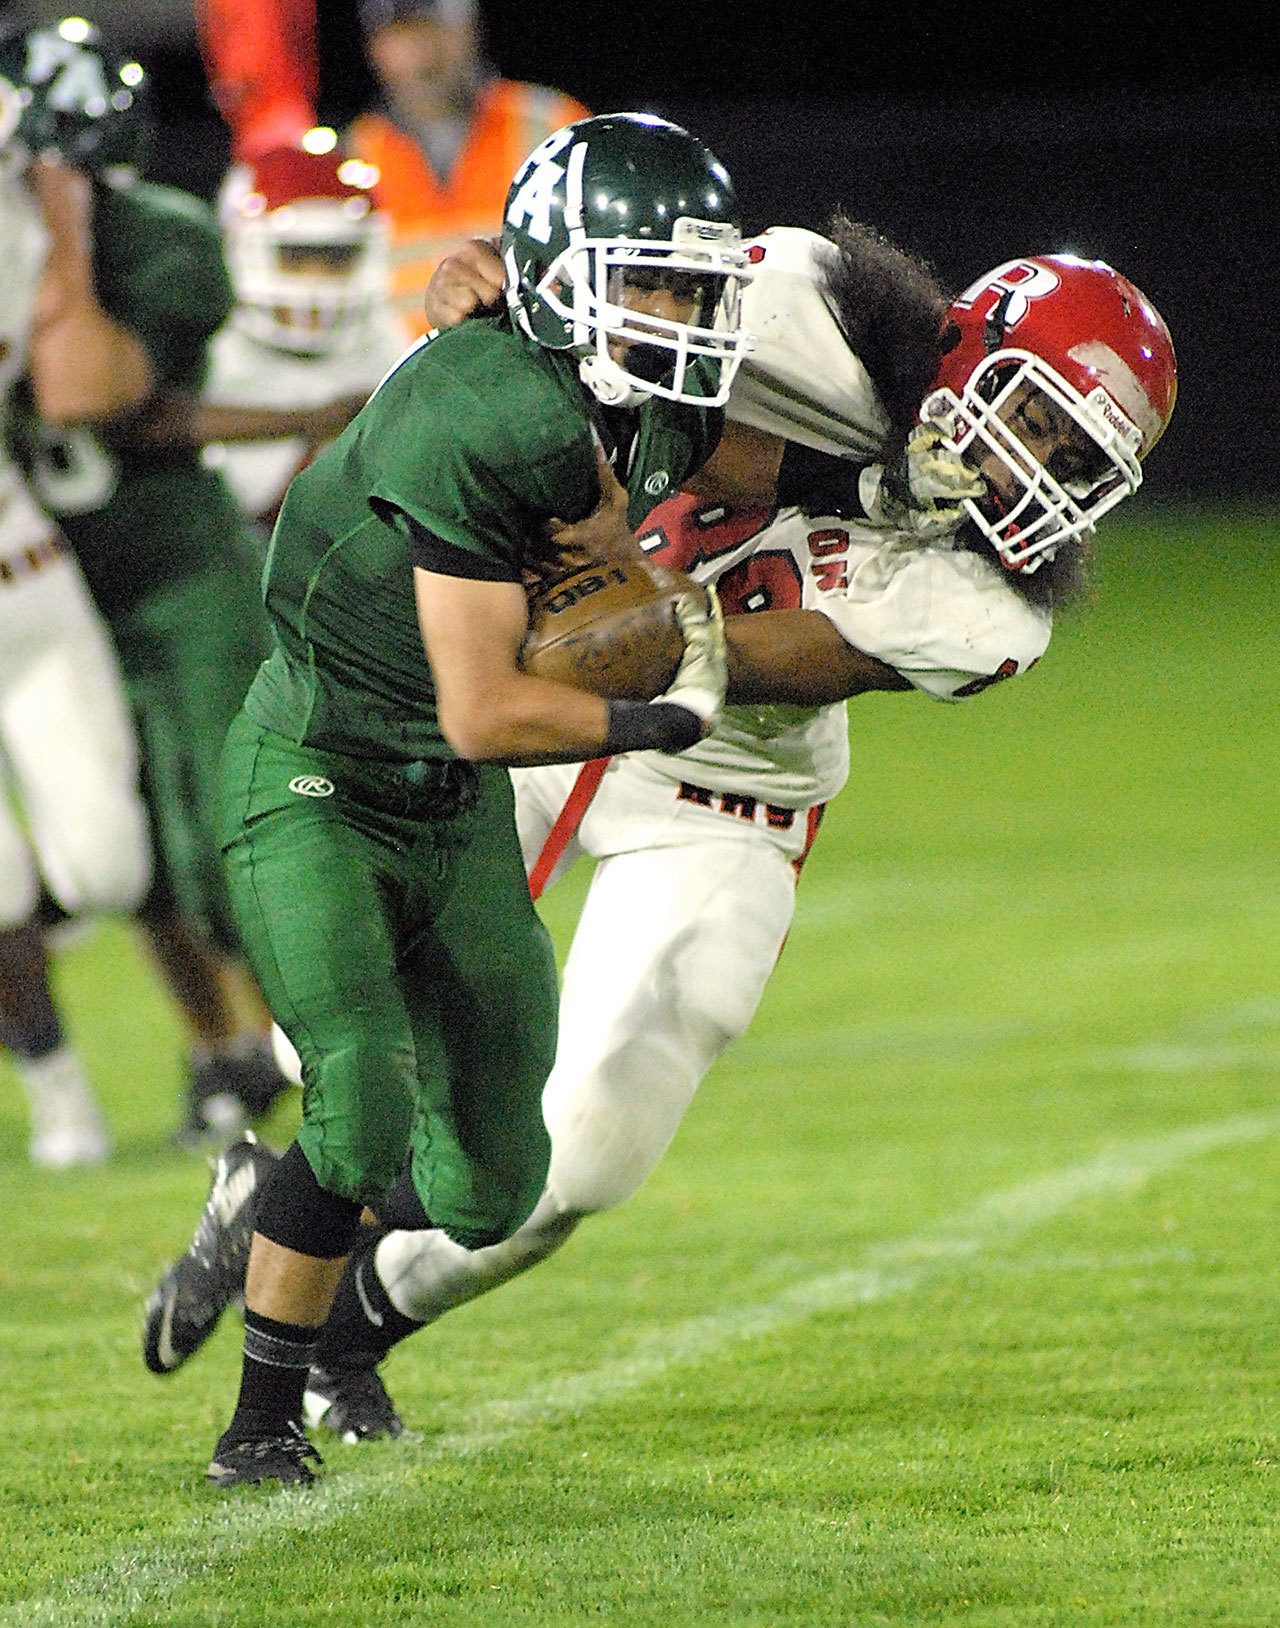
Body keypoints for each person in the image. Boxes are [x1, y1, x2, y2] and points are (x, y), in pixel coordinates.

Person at [142, 216, 1177, 1443]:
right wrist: (497, 272)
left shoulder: (993, 609)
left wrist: (606, 590)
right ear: (966, 340)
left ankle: (354, 1317)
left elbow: (726, 659)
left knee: (581, 1158)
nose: (1031, 462)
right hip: (544, 710)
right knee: (364, 1039)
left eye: (1072, 453)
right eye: (1032, 410)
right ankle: (288, 1194)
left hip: (718, 785)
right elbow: (605, 282)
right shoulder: (795, 300)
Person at [192, 110, 753, 1488]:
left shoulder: (658, 407)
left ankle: (267, 1200)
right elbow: (487, 707)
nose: (679, 317)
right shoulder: (476, 403)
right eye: (651, 283)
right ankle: (259, 1425)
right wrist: (668, 710)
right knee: (363, 1099)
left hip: (447, 808)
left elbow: (595, 559)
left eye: (695, 288)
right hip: (323, 769)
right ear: (565, 271)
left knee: (498, 1183)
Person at [2, 17, 294, 1150]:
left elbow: (98, 395)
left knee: (225, 826)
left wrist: (63, 233)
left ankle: (300, 1038)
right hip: (68, 591)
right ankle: (216, 1050)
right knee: (125, 851)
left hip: (176, 575)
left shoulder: (158, 238)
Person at [0, 51, 154, 1167]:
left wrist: (66, 227)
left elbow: (80, 389)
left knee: (106, 867)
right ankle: (58, 1087)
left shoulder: (34, 222)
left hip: (29, 561)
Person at [198, 138, 407, 532]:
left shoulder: (385, 342)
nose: (315, 282)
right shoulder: (212, 351)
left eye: (334, 258)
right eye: (294, 256)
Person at [348, 0, 589, 338]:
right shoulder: (354, 156)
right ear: (374, 47)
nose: (422, 54)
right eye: (403, 34)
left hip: (528, 372)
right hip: (402, 382)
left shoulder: (551, 127)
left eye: (435, 28)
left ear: (471, 28)